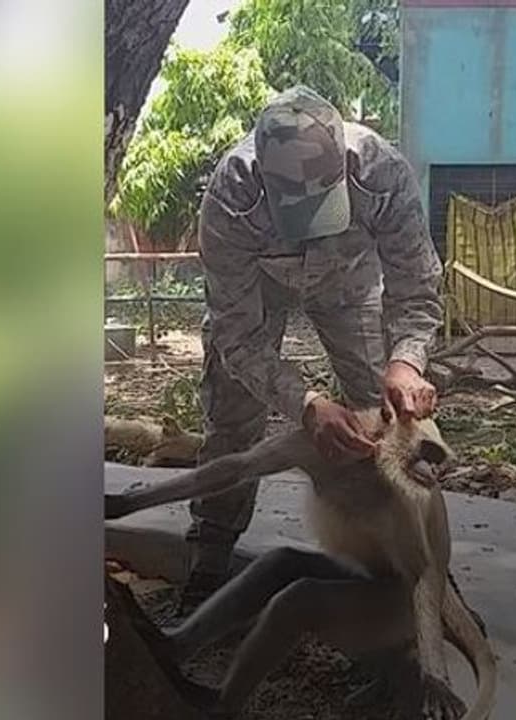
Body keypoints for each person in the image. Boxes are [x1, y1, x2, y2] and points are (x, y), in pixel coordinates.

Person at [182, 85, 443, 611]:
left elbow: (416, 288)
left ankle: (426, 577)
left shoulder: (382, 173)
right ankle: (209, 557)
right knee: (232, 421)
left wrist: (406, 361)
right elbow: (237, 334)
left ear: (344, 168)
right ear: (263, 180)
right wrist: (306, 406)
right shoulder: (229, 198)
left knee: (393, 419)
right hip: (260, 291)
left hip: (349, 285)